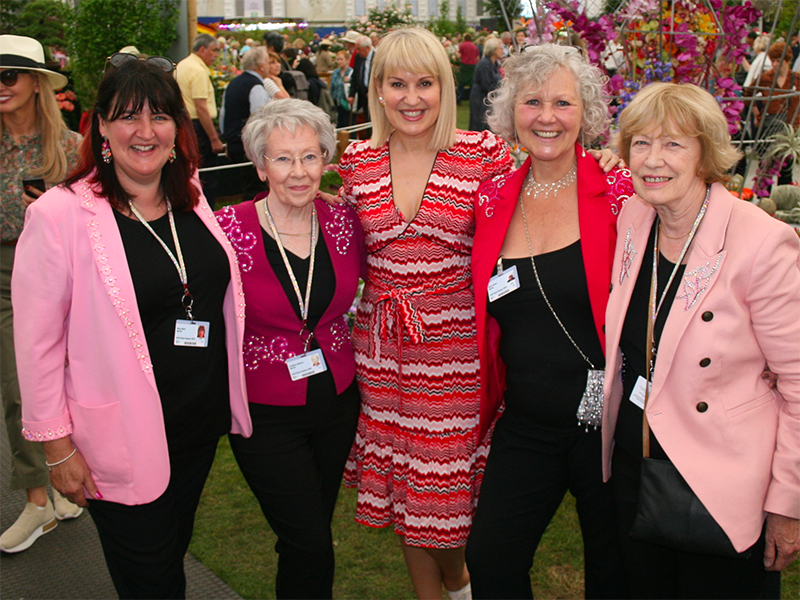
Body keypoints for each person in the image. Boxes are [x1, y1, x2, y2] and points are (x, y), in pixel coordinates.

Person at [12, 58, 252, 598]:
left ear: (178, 129)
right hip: (118, 438)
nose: (145, 132)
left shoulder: (188, 193)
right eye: (128, 117)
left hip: (195, 429)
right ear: (100, 126)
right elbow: (36, 345)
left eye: (161, 117)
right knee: (151, 578)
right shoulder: (60, 215)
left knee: (168, 556)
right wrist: (57, 449)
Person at [338, 27, 516, 600]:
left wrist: (605, 160)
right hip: (383, 350)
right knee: (409, 486)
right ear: (378, 90)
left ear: (445, 87)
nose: (411, 98)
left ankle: (460, 582)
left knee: (446, 487)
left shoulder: (481, 154)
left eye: (425, 83)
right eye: (396, 84)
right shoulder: (357, 161)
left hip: (456, 349)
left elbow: (539, 202)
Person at [604, 81, 800, 599]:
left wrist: (788, 503)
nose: (653, 159)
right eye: (641, 143)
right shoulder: (634, 218)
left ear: (706, 154)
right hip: (636, 465)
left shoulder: (761, 241)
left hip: (719, 480)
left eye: (673, 144)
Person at [465, 44, 632, 600]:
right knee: (490, 559)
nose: (546, 116)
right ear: (512, 111)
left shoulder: (620, 191)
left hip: (606, 425)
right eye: (532, 101)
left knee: (614, 570)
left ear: (585, 113)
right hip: (528, 425)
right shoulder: (491, 199)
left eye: (563, 102)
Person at [215, 99, 365, 599]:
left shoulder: (346, 221)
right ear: (260, 166)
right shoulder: (226, 230)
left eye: (309, 156)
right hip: (264, 414)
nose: (298, 172)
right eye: (282, 158)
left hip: (337, 403)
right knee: (310, 543)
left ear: (327, 160)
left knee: (307, 533)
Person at [0, 34, 84, 553]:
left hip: (67, 274)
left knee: (73, 381)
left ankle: (65, 480)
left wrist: (56, 203)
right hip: (5, 274)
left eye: (9, 76)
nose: (1, 87)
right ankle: (37, 503)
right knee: (19, 387)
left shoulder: (72, 147)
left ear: (36, 84)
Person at [175, 33, 223, 205]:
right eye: (214, 50)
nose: (216, 55)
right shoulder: (197, 70)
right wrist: (214, 138)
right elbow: (201, 107)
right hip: (198, 127)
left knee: (192, 173)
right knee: (207, 175)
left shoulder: (182, 65)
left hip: (185, 124)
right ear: (202, 49)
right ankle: (207, 211)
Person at [221, 46, 289, 163]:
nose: (269, 66)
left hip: (233, 142)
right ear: (261, 66)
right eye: (268, 63)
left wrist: (226, 138)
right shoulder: (255, 85)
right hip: (248, 147)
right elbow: (260, 119)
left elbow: (223, 114)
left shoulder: (233, 83)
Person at [746, 41, 800, 185]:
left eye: (779, 60)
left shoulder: (797, 78)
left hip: (790, 129)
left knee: (786, 168)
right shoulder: (765, 78)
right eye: (773, 60)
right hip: (770, 126)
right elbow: (748, 95)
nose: (776, 64)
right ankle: (763, 200)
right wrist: (758, 115)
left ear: (787, 61)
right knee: (765, 166)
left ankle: (783, 200)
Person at [469, 37, 503, 131]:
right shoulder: (485, 64)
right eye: (500, 48)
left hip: (487, 99)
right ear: (494, 50)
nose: (502, 51)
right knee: (480, 125)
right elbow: (486, 84)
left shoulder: (493, 64)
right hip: (480, 98)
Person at [348, 36, 374, 124]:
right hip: (361, 95)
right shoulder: (358, 57)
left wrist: (373, 90)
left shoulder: (377, 58)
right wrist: (351, 94)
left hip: (373, 95)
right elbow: (355, 76)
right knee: (363, 119)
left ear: (367, 48)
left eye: (359, 49)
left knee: (372, 120)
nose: (357, 52)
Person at [330, 50, 353, 129]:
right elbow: (332, 87)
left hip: (347, 103)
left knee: (348, 124)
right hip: (337, 102)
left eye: (341, 59)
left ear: (347, 60)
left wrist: (350, 80)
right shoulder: (335, 72)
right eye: (337, 59)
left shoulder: (351, 72)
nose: (339, 61)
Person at [457, 34, 480, 105]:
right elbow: (478, 58)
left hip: (464, 66)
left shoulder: (462, 45)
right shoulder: (474, 46)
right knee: (472, 83)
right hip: (472, 66)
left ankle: (459, 99)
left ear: (464, 39)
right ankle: (472, 99)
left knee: (461, 83)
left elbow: (459, 56)